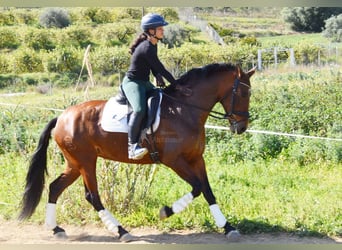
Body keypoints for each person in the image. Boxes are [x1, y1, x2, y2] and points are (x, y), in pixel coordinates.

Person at [121, 13, 178, 160]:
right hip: (133, 83)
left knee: (162, 97)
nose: (163, 31)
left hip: (144, 82)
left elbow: (153, 66)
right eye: (160, 28)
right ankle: (132, 147)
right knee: (139, 109)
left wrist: (157, 76)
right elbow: (161, 67)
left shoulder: (153, 44)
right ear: (151, 31)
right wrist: (176, 84)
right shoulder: (146, 47)